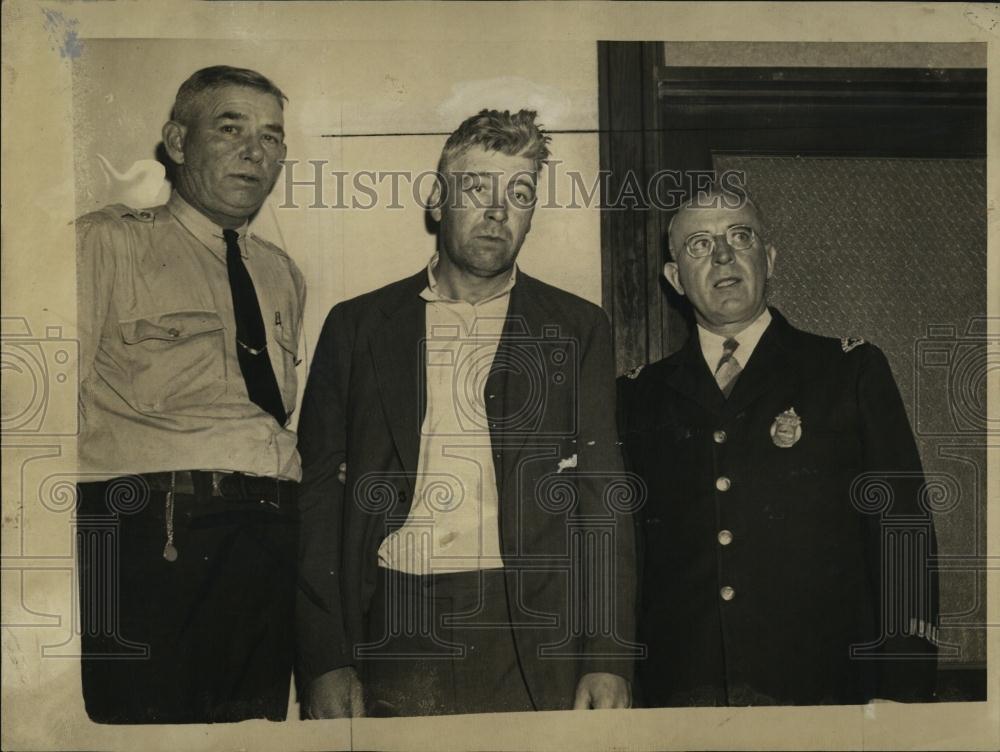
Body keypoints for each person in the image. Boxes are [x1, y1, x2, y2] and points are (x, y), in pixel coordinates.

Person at [296, 109, 637, 717]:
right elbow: (320, 495)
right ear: (436, 201)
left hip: (530, 627)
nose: (499, 211)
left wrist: (607, 656)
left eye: (521, 193)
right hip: (395, 623)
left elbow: (602, 497)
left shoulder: (578, 327)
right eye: (478, 188)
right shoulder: (357, 327)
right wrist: (326, 657)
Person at [618, 190, 939, 707]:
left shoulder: (847, 371)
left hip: (823, 690)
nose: (723, 255)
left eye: (739, 236)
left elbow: (903, 532)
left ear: (767, 260)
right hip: (684, 695)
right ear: (675, 278)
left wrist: (905, 688)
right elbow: (624, 555)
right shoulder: (636, 396)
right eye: (700, 244)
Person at [75, 66, 305, 723]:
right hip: (152, 533)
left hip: (269, 535)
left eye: (271, 137)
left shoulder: (282, 274)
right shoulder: (106, 243)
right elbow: (34, 412)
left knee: (251, 732)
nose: (254, 152)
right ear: (177, 141)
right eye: (230, 129)